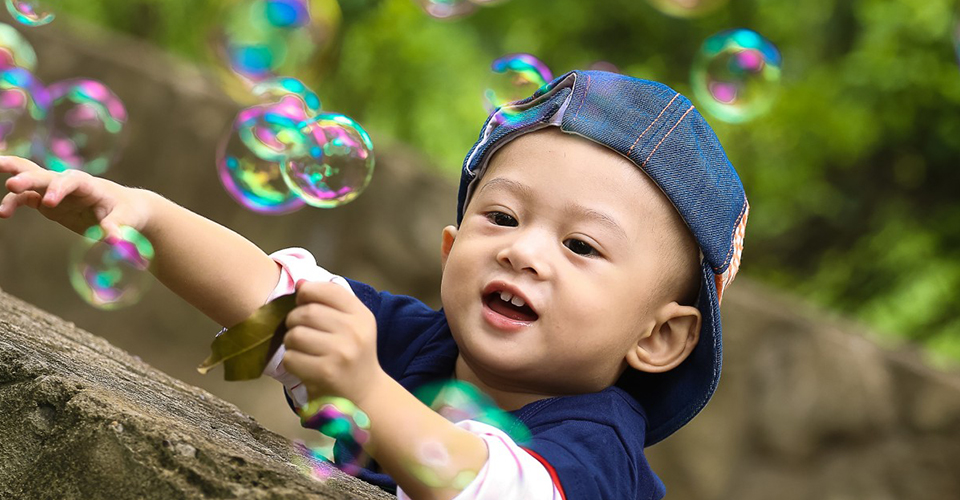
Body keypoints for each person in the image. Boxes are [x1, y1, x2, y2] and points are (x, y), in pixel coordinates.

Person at [0, 70, 749, 500]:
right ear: (452, 247)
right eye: (502, 215)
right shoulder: (417, 343)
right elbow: (271, 298)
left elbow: (485, 485)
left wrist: (365, 386)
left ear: (660, 336)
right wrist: (142, 218)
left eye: (580, 244)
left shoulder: (597, 446)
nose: (523, 252)